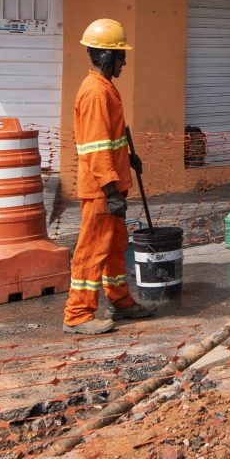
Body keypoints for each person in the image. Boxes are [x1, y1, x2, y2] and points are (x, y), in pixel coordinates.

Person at [64, 18, 145, 335]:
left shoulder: (104, 89)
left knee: (114, 248)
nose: (124, 62)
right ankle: (78, 314)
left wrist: (128, 157)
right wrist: (110, 190)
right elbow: (96, 149)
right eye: (121, 56)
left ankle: (121, 302)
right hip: (102, 190)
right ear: (107, 57)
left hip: (110, 187)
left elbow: (109, 142)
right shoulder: (97, 93)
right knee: (92, 249)